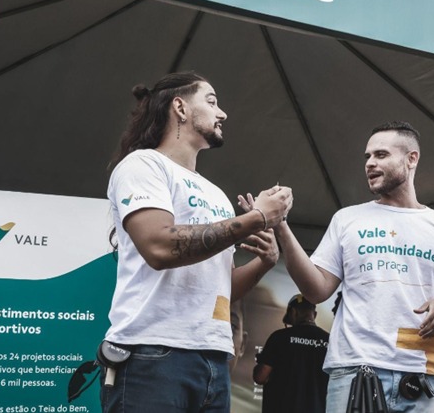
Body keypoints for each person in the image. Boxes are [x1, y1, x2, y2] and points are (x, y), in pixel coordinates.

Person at [101, 71, 293, 413]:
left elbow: (222, 288)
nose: (223, 113)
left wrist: (264, 262)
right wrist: (256, 218)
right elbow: (159, 247)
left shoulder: (215, 193)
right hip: (151, 353)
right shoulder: (143, 165)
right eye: (212, 101)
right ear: (180, 107)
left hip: (213, 360)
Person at [253, 121, 434, 412]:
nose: (369, 163)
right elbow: (316, 290)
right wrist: (281, 225)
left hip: (424, 377)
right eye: (367, 156)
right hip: (356, 370)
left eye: (381, 155)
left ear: (411, 158)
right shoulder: (348, 219)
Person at [253, 294, 330, 413]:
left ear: (293, 312)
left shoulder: (279, 337)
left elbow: (260, 377)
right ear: (314, 314)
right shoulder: (329, 341)